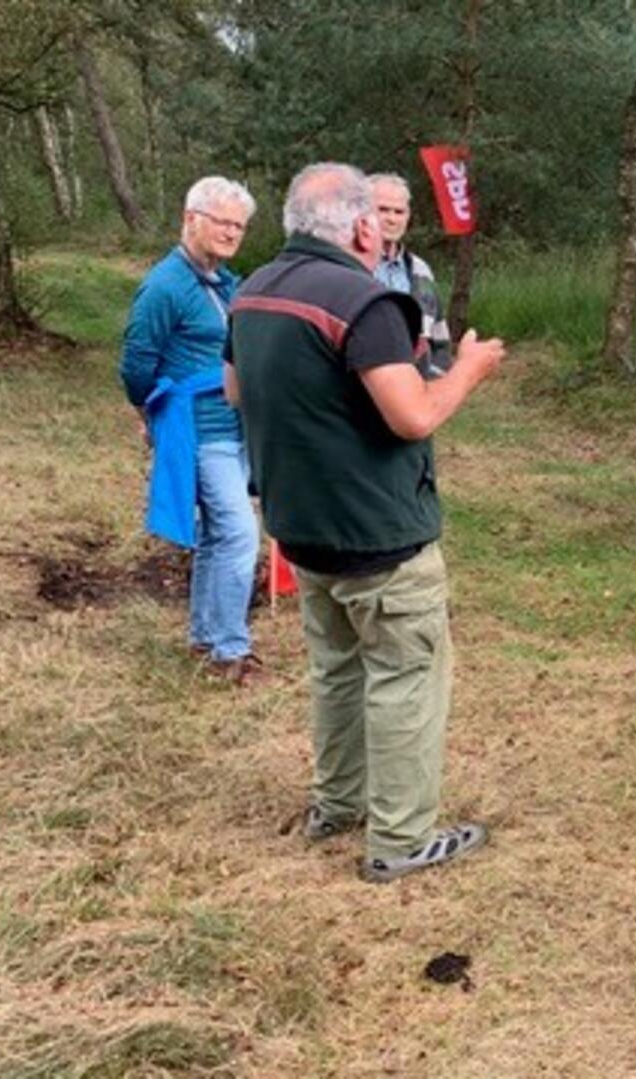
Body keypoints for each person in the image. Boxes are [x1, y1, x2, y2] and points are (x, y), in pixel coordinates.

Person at [225, 162, 507, 884]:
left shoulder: (252, 291)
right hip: (378, 534)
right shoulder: (365, 300)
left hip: (299, 525)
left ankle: (338, 803)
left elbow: (234, 389)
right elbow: (413, 414)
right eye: (377, 220)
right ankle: (402, 838)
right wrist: (469, 369)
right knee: (405, 675)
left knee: (336, 669)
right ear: (359, 226)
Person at [119, 175, 264, 686]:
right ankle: (231, 652)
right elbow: (136, 365)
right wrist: (153, 416)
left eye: (238, 226)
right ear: (190, 219)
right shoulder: (166, 285)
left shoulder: (226, 281)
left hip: (234, 424)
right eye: (221, 221)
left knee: (217, 538)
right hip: (201, 429)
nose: (229, 233)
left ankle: (205, 637)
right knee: (240, 535)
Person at [368, 173, 451, 377]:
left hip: (415, 397)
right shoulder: (345, 269)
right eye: (383, 210)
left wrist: (433, 386)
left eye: (399, 212)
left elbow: (441, 341)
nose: (391, 219)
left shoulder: (420, 270)